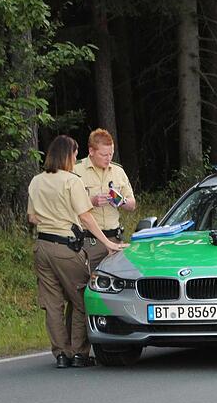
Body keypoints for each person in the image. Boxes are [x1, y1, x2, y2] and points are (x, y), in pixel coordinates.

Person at [28, 135, 126, 368]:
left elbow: (32, 217)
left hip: (42, 246)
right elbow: (86, 216)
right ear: (67, 155)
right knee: (82, 298)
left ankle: (61, 353)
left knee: (52, 303)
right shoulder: (71, 181)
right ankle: (79, 352)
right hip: (66, 246)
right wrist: (108, 243)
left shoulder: (36, 181)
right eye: (74, 154)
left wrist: (50, 217)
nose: (75, 159)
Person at [73, 128, 137, 272]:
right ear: (91, 151)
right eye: (103, 155)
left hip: (115, 238)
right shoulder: (76, 170)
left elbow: (132, 205)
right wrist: (92, 201)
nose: (108, 158)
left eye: (111, 154)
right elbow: (68, 206)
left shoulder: (118, 171)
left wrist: (121, 201)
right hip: (89, 241)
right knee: (87, 282)